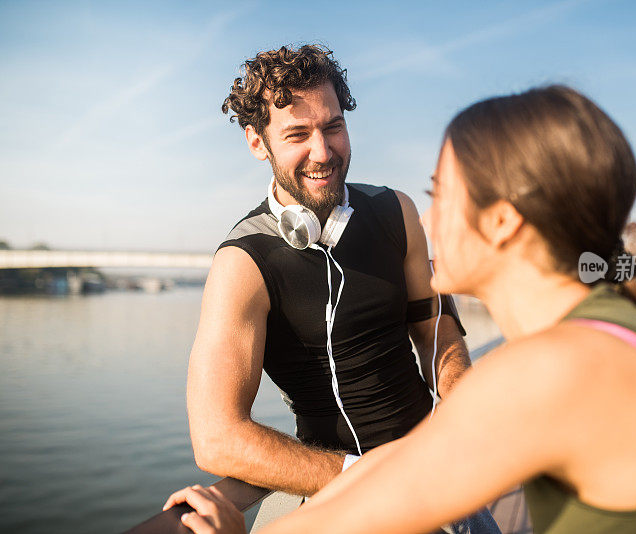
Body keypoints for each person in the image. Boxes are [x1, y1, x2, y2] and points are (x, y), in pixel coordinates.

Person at [166, 84, 636, 533]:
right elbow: (402, 468)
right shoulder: (613, 325)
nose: (424, 215)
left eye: (440, 193)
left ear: (500, 222)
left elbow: (391, 493)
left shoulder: (549, 374)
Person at [176, 44, 499, 533]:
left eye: (333, 126)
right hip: (342, 501)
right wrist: (365, 475)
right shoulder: (242, 264)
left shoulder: (398, 212)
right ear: (257, 142)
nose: (323, 152)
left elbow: (436, 334)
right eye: (297, 134)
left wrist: (459, 413)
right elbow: (217, 438)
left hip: (441, 477)